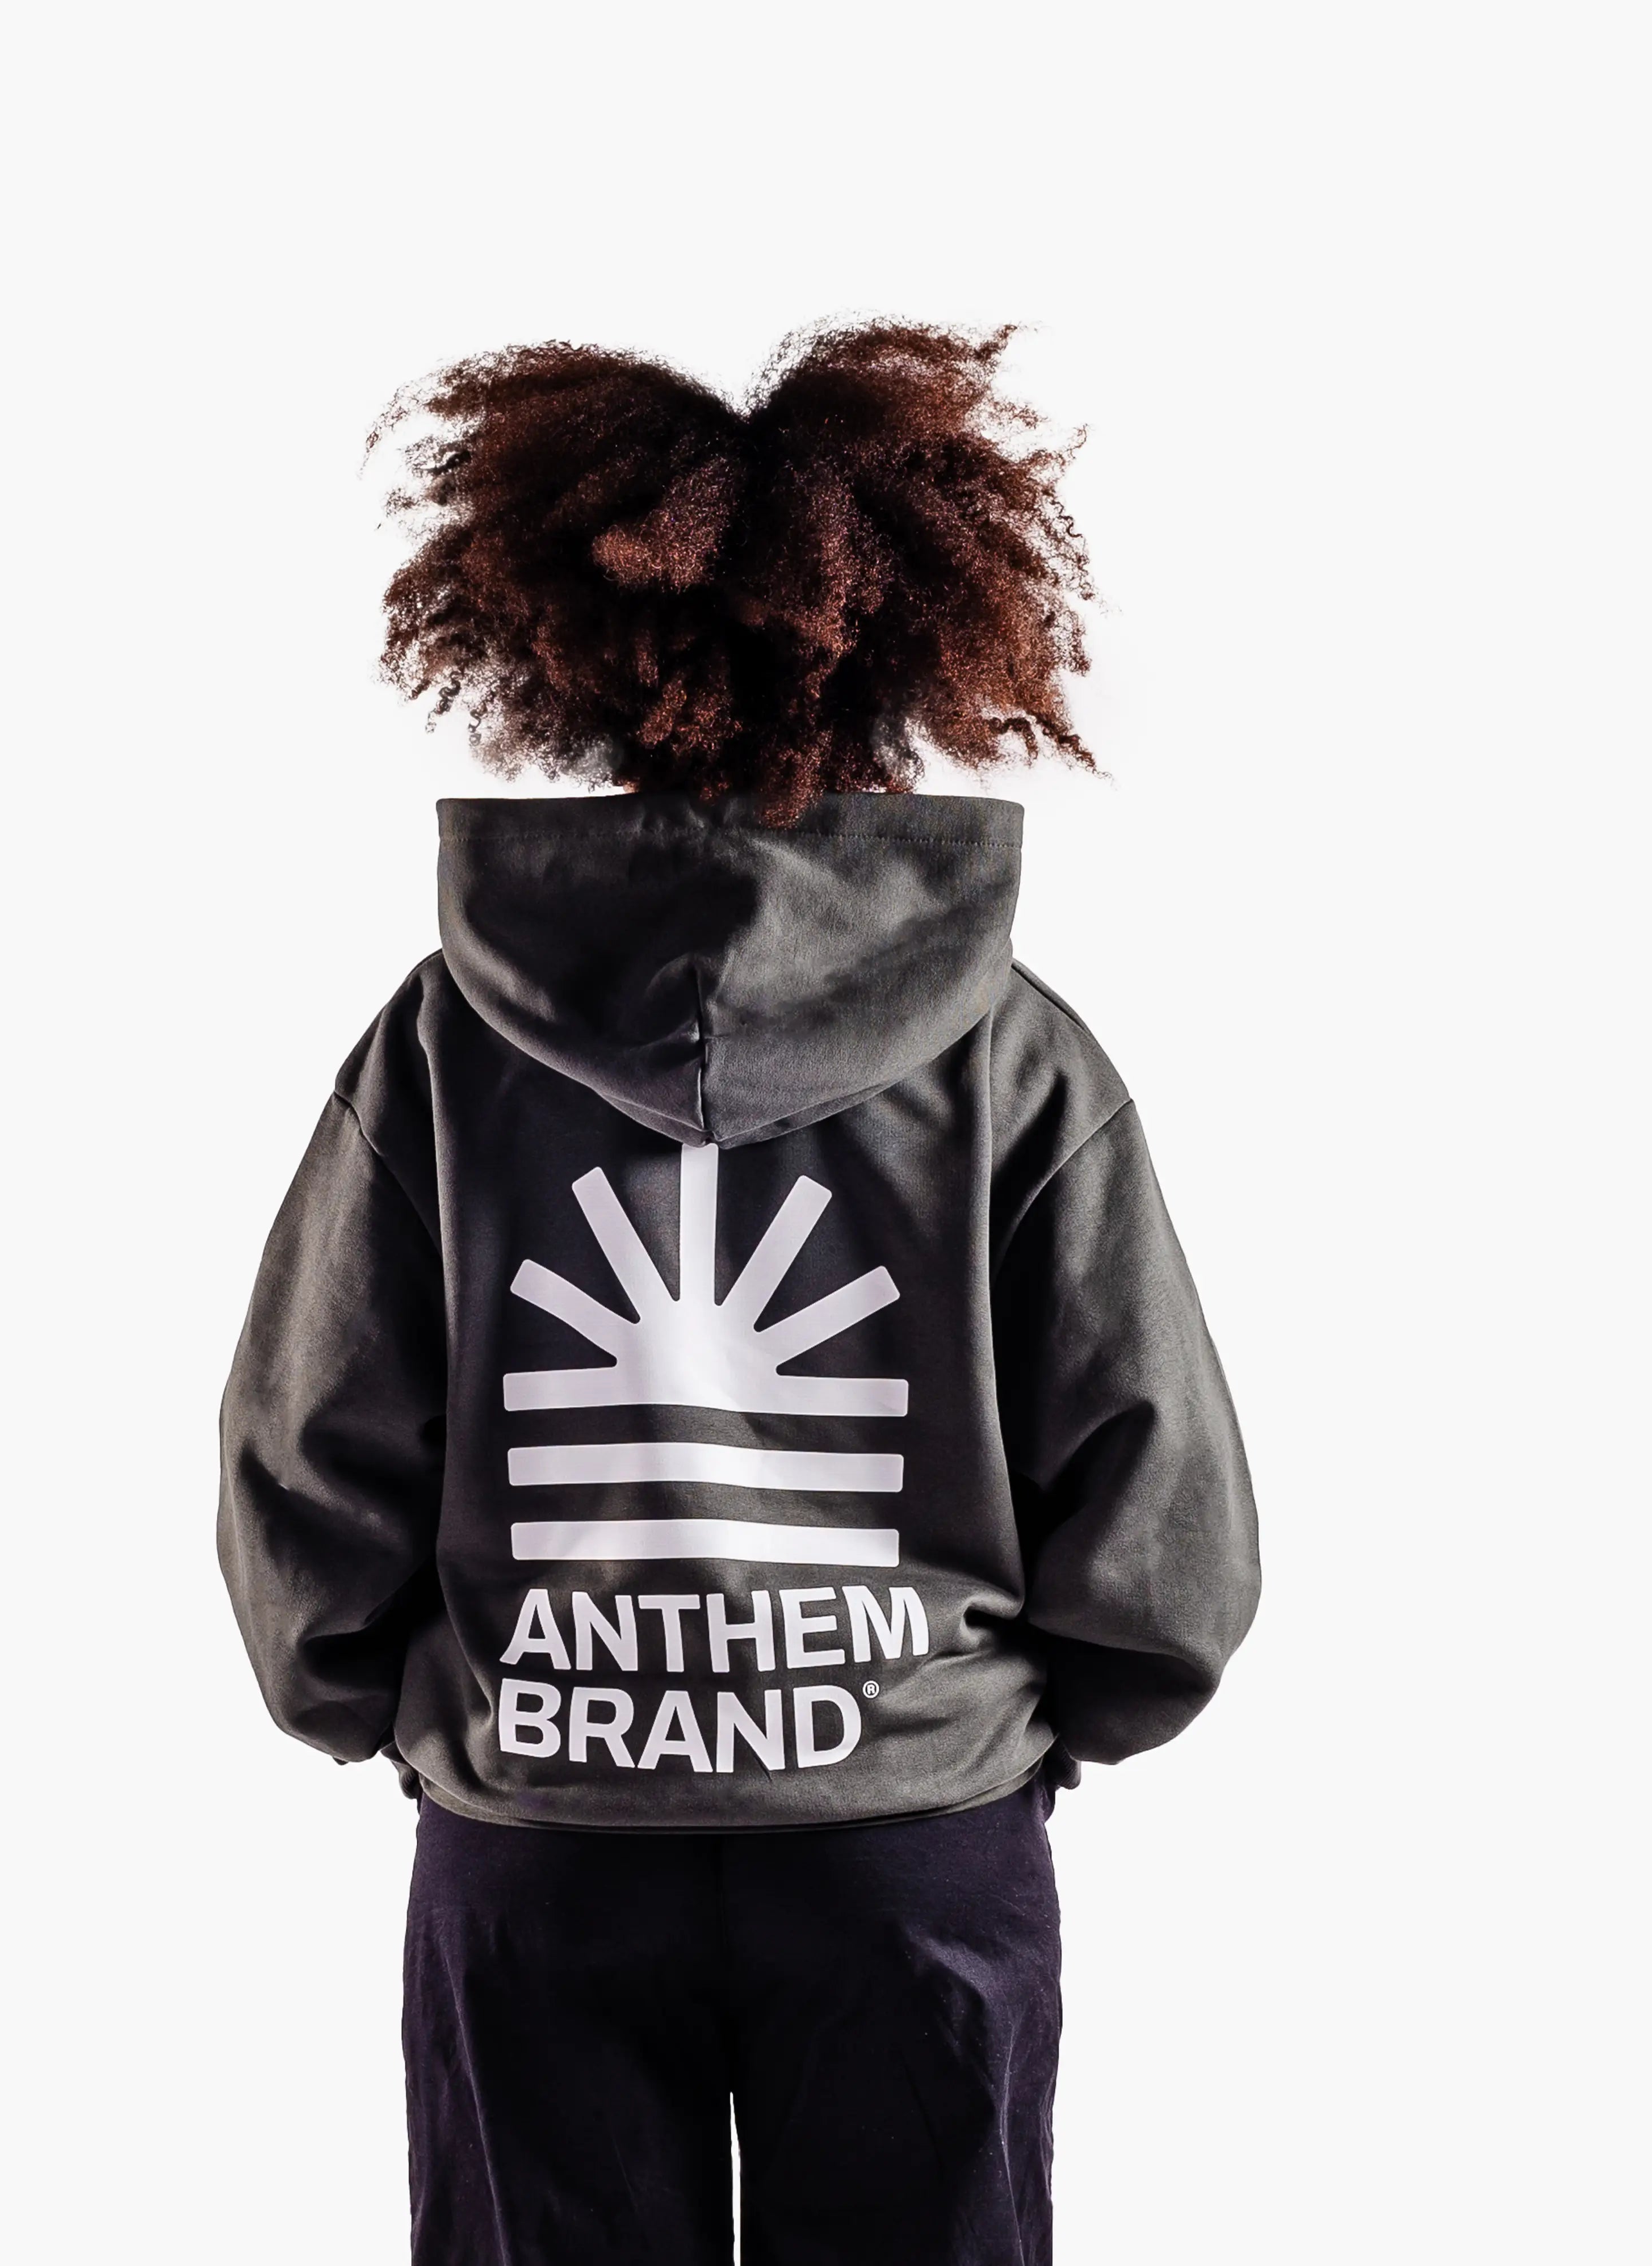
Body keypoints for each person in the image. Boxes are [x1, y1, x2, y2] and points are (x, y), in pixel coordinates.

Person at [217, 321, 1260, 2266]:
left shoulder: (440, 1048)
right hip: (911, 1841)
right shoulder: (1014, 1056)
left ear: (563, 652)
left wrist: (379, 1700)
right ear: (904, 647)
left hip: (539, 1840)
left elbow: (311, 1444)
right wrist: (1020, 1724)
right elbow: (1153, 1486)